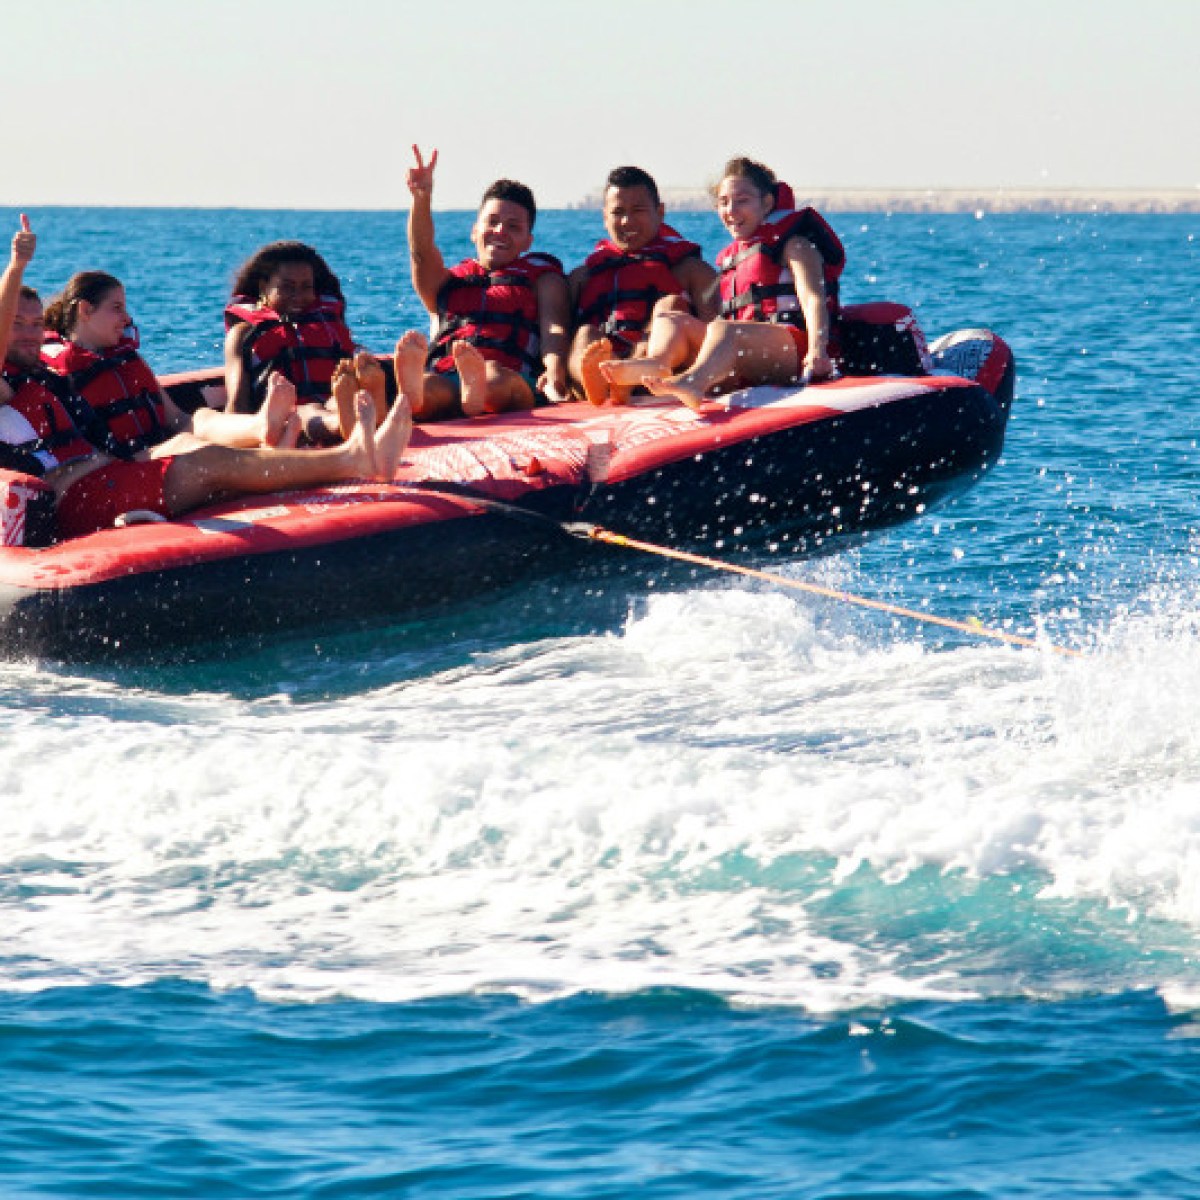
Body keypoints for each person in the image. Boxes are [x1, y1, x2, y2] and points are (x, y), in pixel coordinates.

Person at [0, 219, 411, 540]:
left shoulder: (43, 377)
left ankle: (306, 455)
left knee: (201, 451)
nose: (30, 333)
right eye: (17, 323)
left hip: (109, 477)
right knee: (204, 463)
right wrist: (16, 268)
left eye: (36, 324)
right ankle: (353, 459)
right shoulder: (6, 386)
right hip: (79, 498)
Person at [601, 156, 846, 410]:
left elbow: (813, 298)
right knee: (670, 317)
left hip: (796, 349)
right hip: (750, 350)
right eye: (724, 202)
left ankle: (693, 384)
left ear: (767, 203)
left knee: (726, 329)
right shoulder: (735, 255)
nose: (731, 211)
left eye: (742, 201)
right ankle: (657, 363)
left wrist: (818, 352)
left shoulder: (795, 244)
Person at [395, 146, 570, 420]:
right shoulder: (447, 282)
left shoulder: (542, 280)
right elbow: (420, 252)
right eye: (493, 222)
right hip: (450, 377)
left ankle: (472, 395)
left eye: (514, 227)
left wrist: (555, 373)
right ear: (474, 231)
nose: (500, 231)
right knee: (429, 386)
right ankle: (419, 398)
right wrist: (421, 197)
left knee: (494, 378)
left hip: (511, 379)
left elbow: (554, 331)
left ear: (528, 241)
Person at [568, 165, 718, 406]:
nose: (627, 221)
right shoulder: (582, 277)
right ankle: (601, 382)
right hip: (604, 366)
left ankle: (628, 376)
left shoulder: (690, 270)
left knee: (670, 305)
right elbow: (557, 337)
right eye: (618, 212)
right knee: (584, 335)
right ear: (605, 218)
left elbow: (716, 331)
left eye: (638, 210)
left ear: (660, 212)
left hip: (659, 371)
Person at [223, 241, 372, 441]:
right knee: (308, 411)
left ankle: (349, 414)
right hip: (282, 420)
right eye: (287, 287)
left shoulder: (328, 324)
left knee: (337, 402)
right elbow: (237, 401)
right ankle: (341, 424)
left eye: (306, 287)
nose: (298, 296)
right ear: (263, 287)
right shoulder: (243, 334)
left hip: (332, 401)